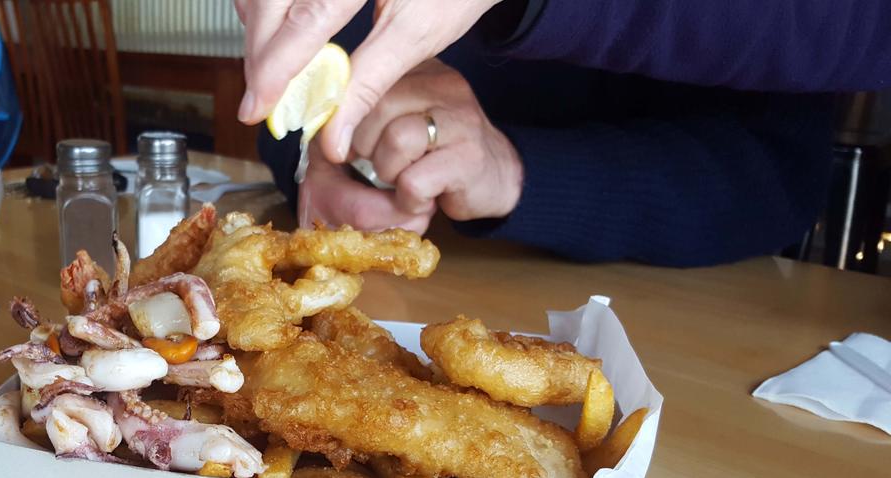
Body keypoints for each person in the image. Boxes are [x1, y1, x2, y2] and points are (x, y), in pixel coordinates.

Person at [257, 3, 834, 267]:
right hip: (423, 286)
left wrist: (517, 173)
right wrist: (322, 156)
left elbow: (776, 173)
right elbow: (296, 79)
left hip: (702, 311)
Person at [238, 0, 890, 164]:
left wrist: (524, 172)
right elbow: (294, 98)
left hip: (725, 232)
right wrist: (336, 157)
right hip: (446, 265)